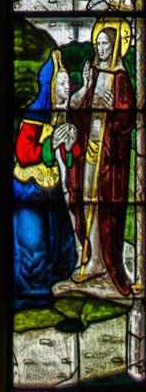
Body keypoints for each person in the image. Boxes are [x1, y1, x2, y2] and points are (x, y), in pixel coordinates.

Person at [68, 19, 135, 296]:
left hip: (110, 157)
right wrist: (84, 87)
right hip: (90, 150)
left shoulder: (120, 78)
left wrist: (115, 112)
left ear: (116, 46)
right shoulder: (93, 74)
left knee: (106, 207)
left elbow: (128, 120)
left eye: (106, 44)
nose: (101, 49)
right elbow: (79, 107)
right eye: (98, 44)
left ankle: (107, 262)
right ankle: (90, 258)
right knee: (86, 204)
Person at [12, 51, 79, 307]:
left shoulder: (62, 114)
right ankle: (28, 294)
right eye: (61, 83)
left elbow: (68, 156)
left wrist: (70, 146)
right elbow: (23, 152)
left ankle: (48, 282)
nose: (67, 88)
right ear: (50, 86)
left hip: (49, 188)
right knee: (32, 242)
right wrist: (52, 144)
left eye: (67, 84)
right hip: (27, 187)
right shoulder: (34, 115)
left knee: (55, 240)